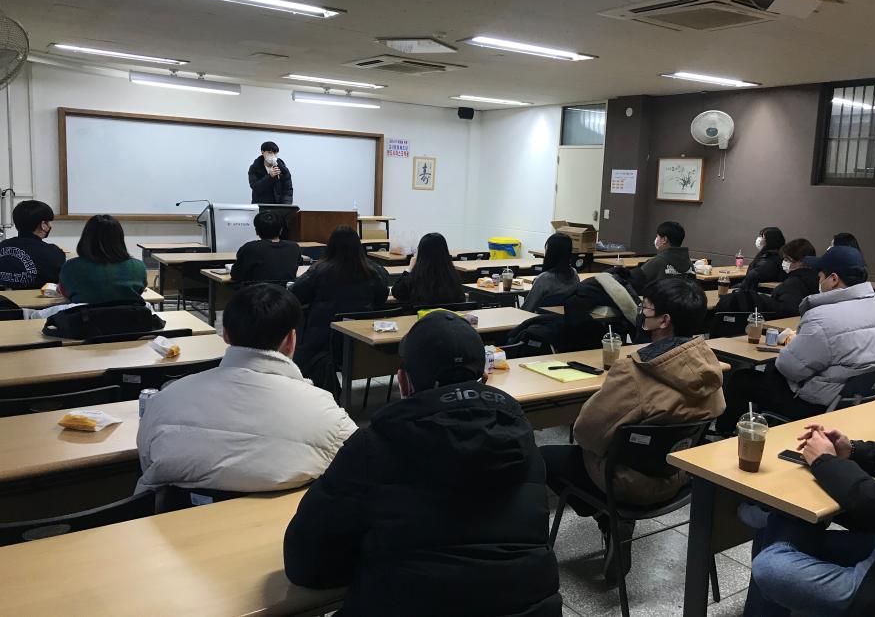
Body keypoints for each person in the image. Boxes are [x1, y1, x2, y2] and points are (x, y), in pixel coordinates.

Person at [283, 310, 562, 616]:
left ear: (403, 382)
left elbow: (304, 564)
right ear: (484, 377)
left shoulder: (373, 447)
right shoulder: (523, 440)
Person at [541, 277, 725, 577]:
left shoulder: (634, 370)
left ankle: (607, 516)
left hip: (628, 485)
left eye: (646, 308)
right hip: (679, 476)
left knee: (542, 457)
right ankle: (611, 519)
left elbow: (586, 432)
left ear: (664, 320)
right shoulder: (709, 364)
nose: (641, 313)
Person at [136, 283, 356, 494]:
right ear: (291, 339)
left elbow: (146, 464)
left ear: (225, 335)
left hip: (177, 517)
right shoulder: (330, 417)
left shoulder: (164, 402)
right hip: (288, 520)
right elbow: (355, 474)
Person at [716, 245, 875, 432]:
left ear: (833, 279)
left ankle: (724, 437)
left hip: (816, 405)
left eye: (820, 277)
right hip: (858, 402)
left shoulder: (823, 317)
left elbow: (789, 368)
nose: (818, 282)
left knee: (742, 379)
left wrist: (791, 349)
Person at [740, 423, 875, 616]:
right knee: (777, 527)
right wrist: (853, 450)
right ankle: (778, 517)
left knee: (769, 565)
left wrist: (824, 461)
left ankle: (774, 516)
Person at [289, 226, 390, 384]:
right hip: (360, 338)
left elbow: (295, 294)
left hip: (322, 340)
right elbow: (382, 296)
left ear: (330, 246)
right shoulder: (373, 270)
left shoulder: (319, 270)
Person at [58, 214, 147, 304]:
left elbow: (65, 293)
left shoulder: (71, 267)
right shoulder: (138, 267)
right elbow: (139, 292)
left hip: (84, 313)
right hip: (129, 313)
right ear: (120, 239)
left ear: (86, 238)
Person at [0, 200, 65, 290]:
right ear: (43, 225)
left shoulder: (3, 245)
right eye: (49, 222)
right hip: (38, 299)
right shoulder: (53, 253)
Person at [391, 232, 465, 306]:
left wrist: (409, 268)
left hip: (421, 313)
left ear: (421, 253)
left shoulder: (417, 277)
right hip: (449, 313)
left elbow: (397, 292)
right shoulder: (452, 276)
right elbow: (461, 299)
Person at [230, 211, 302, 284]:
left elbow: (235, 276)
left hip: (256, 291)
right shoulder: (294, 247)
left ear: (256, 231)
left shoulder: (249, 248)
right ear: (281, 230)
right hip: (285, 291)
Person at [758, 238, 819, 318]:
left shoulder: (793, 284)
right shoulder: (818, 278)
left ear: (802, 262)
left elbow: (784, 311)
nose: (784, 262)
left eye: (787, 259)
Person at [626, 221, 692, 294]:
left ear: (664, 240)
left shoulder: (659, 261)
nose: (656, 239)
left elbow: (633, 280)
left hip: (661, 299)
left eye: (657, 236)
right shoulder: (689, 263)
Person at [522, 232, 580, 312]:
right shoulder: (574, 274)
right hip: (567, 317)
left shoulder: (544, 279)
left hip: (542, 318)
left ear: (550, 253)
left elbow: (527, 309)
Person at [738, 226, 786, 291]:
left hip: (755, 291)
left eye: (762, 237)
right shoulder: (780, 256)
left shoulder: (768, 261)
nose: (759, 239)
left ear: (770, 241)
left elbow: (751, 278)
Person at [248, 140, 293, 205]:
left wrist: (286, 206)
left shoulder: (282, 168)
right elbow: (255, 187)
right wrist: (269, 177)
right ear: (262, 152)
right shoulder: (255, 168)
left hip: (279, 206)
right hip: (261, 206)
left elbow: (288, 190)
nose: (273, 156)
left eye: (275, 153)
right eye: (270, 152)